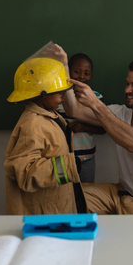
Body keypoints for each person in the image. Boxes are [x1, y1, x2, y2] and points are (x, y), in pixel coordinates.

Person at [63, 56, 133, 219]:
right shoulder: (120, 112)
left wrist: (96, 104)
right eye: (127, 84)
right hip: (121, 193)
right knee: (64, 198)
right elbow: (74, 111)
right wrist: (63, 71)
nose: (127, 90)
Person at [4, 42, 87, 215]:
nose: (63, 100)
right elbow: (25, 173)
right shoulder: (32, 125)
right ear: (42, 94)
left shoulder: (52, 116)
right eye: (60, 95)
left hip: (58, 205)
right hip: (44, 214)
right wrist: (69, 167)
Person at [56, 53, 105, 183]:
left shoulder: (97, 98)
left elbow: (104, 128)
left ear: (91, 75)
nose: (82, 77)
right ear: (68, 72)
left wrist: (84, 126)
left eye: (87, 73)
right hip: (62, 158)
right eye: (77, 72)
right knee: (62, 194)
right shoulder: (57, 98)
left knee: (86, 195)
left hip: (86, 158)